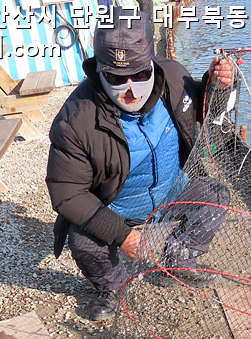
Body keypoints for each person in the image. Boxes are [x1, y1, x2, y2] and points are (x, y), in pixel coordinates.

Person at [46, 10, 235, 321]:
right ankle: (111, 287)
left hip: (171, 188)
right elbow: (68, 193)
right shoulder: (75, 118)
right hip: (115, 205)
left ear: (151, 64)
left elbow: (207, 111)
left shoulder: (173, 76)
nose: (130, 88)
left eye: (139, 74)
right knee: (83, 242)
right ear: (100, 70)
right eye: (116, 78)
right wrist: (121, 234)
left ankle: (179, 262)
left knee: (216, 194)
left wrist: (218, 85)